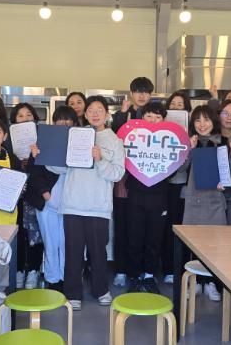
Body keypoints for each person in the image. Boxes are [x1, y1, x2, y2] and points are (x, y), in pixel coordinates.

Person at [45, 96, 125, 311]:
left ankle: (101, 290)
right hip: (72, 204)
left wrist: (100, 159)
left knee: (98, 252)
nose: (95, 113)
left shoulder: (115, 141)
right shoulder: (76, 135)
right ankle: (72, 293)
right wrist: (44, 155)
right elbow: (61, 168)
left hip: (98, 207)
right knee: (73, 251)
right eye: (91, 110)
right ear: (86, 114)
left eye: (100, 110)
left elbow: (117, 174)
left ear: (107, 114)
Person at [183, 105, 231, 301]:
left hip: (215, 200)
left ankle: (212, 283)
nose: (202, 124)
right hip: (193, 200)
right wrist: (189, 150)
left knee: (215, 245)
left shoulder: (224, 142)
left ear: (214, 122)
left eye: (206, 120)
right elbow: (179, 170)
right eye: (197, 120)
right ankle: (195, 282)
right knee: (192, 244)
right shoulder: (189, 142)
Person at [27, 106, 78, 292]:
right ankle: (52, 278)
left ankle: (67, 277)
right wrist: (44, 193)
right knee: (50, 242)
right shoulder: (43, 142)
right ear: (54, 122)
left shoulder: (80, 142)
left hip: (72, 202)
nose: (64, 123)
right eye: (60, 119)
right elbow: (33, 171)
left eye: (68, 119)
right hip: (47, 202)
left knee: (67, 243)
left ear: (74, 122)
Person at [111, 77, 153, 288]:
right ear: (131, 93)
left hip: (147, 183)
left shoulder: (155, 117)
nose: (142, 95)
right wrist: (121, 115)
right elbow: (114, 139)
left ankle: (142, 270)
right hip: (124, 180)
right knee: (122, 226)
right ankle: (120, 269)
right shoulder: (122, 115)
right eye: (138, 91)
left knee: (143, 230)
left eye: (146, 91)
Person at [124, 102, 170, 294]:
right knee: (134, 237)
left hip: (159, 196)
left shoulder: (169, 140)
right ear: (141, 118)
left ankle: (150, 275)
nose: (153, 120)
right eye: (149, 116)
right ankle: (134, 276)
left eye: (158, 117)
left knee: (154, 238)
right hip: (135, 194)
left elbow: (175, 169)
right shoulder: (132, 137)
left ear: (163, 120)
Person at [9, 102, 44, 289]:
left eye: (28, 115)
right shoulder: (7, 140)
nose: (24, 118)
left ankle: (34, 269)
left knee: (36, 231)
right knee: (19, 231)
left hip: (35, 192)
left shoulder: (42, 139)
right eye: (20, 115)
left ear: (35, 119)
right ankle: (19, 269)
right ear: (14, 120)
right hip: (14, 195)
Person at [161, 91, 192, 283]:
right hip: (163, 186)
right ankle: (167, 268)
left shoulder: (192, 133)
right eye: (172, 104)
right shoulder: (160, 131)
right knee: (165, 227)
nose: (176, 107)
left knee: (180, 227)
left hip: (181, 186)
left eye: (180, 104)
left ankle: (179, 268)